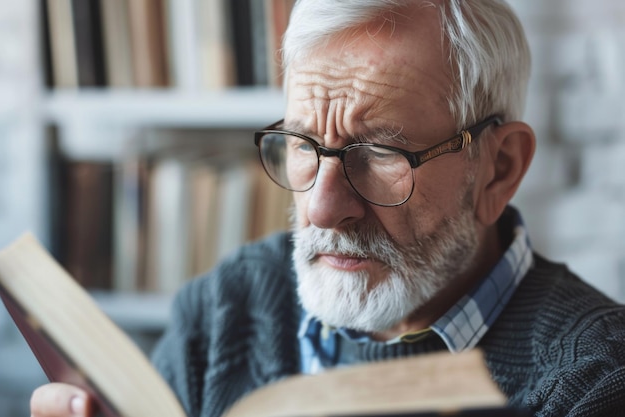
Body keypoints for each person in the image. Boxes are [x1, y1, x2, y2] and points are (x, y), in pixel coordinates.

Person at [30, 0, 625, 416]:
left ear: (499, 168)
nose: (321, 208)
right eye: (302, 145)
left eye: (380, 152)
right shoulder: (222, 312)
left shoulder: (595, 380)